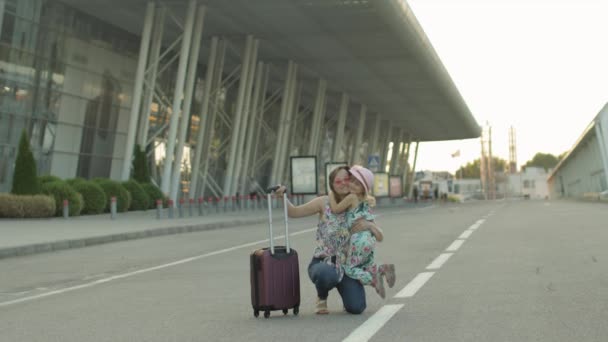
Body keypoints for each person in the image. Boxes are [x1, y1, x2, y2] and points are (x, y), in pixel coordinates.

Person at [275, 166, 383, 314]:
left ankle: (347, 290)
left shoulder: (359, 204)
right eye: (338, 181)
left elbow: (379, 237)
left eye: (347, 179)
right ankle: (322, 296)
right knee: (326, 274)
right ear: (332, 184)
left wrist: (369, 225)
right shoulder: (324, 202)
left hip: (347, 266)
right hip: (325, 262)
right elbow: (293, 212)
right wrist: (283, 197)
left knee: (357, 308)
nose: (344, 183)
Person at [328, 165, 396, 299]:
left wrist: (330, 195)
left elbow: (336, 209)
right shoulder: (366, 203)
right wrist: (370, 227)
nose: (352, 185)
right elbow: (377, 233)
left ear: (362, 189)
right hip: (369, 240)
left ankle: (374, 280)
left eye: (357, 184)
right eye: (352, 180)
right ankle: (383, 269)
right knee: (365, 266)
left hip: (357, 240)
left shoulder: (352, 197)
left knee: (351, 269)